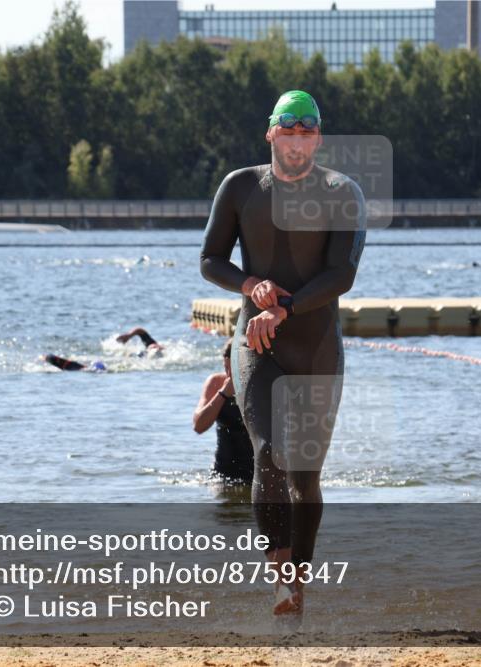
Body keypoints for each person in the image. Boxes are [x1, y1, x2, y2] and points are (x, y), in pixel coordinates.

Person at [199, 89, 366, 616]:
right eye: (287, 130)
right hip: (257, 343)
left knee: (304, 477)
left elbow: (342, 274)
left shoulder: (343, 193)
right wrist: (252, 286)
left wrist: (285, 308)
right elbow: (210, 259)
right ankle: (281, 583)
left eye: (307, 131)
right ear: (271, 132)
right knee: (268, 454)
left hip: (315, 345)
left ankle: (300, 580)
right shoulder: (241, 187)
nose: (297, 140)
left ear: (318, 137)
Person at [192, 339, 255, 485]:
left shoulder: (261, 385)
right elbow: (198, 426)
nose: (229, 374)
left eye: (234, 368)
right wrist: (223, 393)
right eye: (226, 367)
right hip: (222, 473)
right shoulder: (216, 382)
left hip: (258, 473)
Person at [41, 327, 163, 371]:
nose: (155, 347)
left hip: (128, 363)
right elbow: (140, 331)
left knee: (96, 368)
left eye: (156, 348)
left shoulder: (160, 356)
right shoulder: (150, 347)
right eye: (154, 346)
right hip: (127, 360)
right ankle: (49, 358)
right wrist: (128, 335)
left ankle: (51, 359)